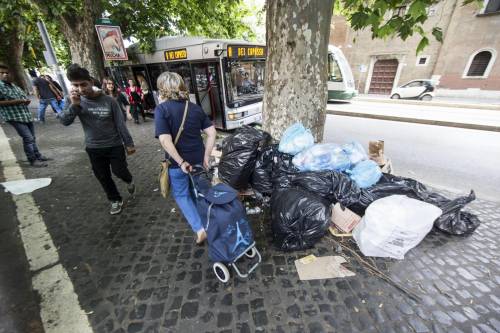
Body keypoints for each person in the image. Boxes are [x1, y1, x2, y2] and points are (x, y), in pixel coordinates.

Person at [61, 64, 136, 215]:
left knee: (119, 171)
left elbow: (120, 124)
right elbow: (64, 121)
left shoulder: (109, 100)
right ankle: (115, 199)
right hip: (93, 147)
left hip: (114, 145)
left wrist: (129, 143)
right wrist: (75, 105)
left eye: (83, 84)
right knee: (103, 176)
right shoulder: (73, 100)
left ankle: (129, 180)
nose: (80, 88)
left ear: (91, 82)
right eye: (75, 85)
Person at [155, 72, 217, 244]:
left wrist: (181, 162)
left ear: (162, 89)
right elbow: (212, 133)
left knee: (182, 194)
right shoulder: (194, 107)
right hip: (198, 159)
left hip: (177, 164)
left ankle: (199, 229)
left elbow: (164, 140)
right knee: (198, 192)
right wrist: (206, 156)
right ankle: (209, 223)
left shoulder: (162, 109)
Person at [0, 64, 50, 167]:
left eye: (7, 73)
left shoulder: (13, 85)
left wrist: (24, 101)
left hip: (24, 114)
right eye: (2, 73)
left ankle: (38, 156)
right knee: (28, 138)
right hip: (13, 116)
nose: (5, 75)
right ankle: (32, 160)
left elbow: (23, 97)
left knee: (32, 137)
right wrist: (17, 101)